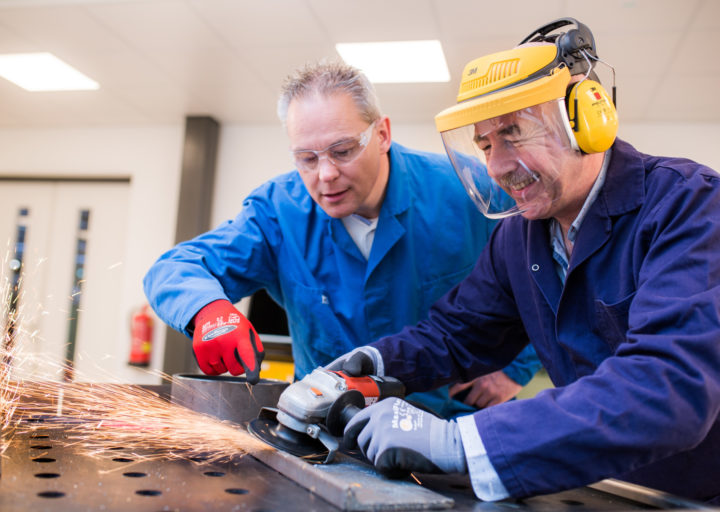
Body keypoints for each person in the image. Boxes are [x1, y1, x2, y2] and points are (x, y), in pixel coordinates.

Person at [329, 18, 720, 503]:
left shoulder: (689, 206)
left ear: (586, 119)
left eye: (513, 133)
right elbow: (457, 334)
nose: (496, 166)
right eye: (486, 144)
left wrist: (463, 441)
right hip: (600, 487)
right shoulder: (519, 235)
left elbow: (670, 387)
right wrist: (373, 364)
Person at [143, 60, 541, 418]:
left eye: (343, 150)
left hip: (447, 423)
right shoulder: (279, 211)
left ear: (382, 133)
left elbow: (543, 272)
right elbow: (176, 267)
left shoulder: (466, 189)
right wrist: (207, 309)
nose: (325, 174)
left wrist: (516, 368)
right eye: (307, 158)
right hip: (326, 428)